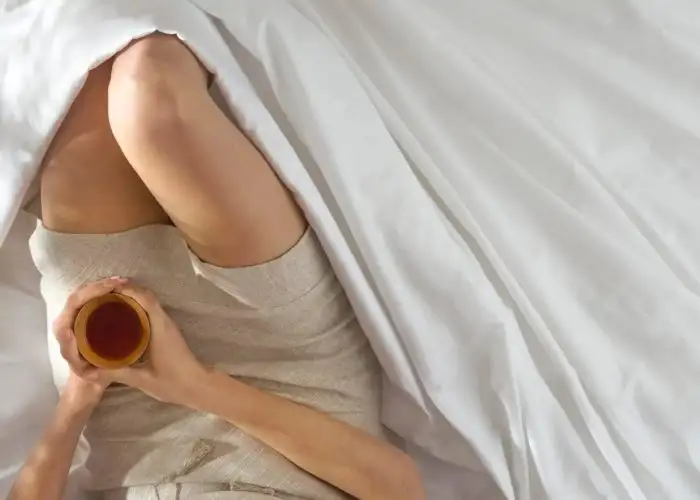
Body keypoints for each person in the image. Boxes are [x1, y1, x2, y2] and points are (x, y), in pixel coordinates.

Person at [8, 34, 425, 500]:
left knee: (88, 65)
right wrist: (194, 385)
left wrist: (79, 396)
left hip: (121, 381)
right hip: (285, 370)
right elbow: (399, 487)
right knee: (150, 91)